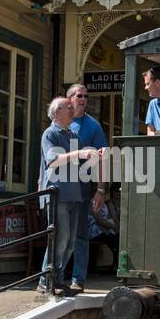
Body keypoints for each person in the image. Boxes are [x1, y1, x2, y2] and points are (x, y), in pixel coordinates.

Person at [39, 97, 103, 294]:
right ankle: (45, 281)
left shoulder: (73, 135)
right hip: (58, 194)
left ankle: (57, 279)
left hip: (75, 194)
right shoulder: (50, 133)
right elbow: (53, 161)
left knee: (70, 242)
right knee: (60, 238)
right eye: (69, 106)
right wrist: (80, 154)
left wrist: (96, 154)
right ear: (57, 111)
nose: (72, 108)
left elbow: (83, 164)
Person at [67, 83, 107, 292]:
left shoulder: (93, 126)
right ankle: (50, 277)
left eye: (86, 96)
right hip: (59, 186)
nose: (83, 99)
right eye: (79, 95)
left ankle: (78, 278)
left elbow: (103, 159)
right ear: (69, 99)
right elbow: (47, 157)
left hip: (82, 186)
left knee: (80, 234)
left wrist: (100, 190)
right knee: (57, 232)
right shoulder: (60, 122)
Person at [88, 182, 121, 271]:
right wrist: (114, 227)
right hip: (95, 231)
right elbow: (100, 220)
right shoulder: (92, 202)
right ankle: (117, 264)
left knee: (118, 238)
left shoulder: (105, 204)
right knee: (116, 239)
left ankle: (116, 264)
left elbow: (110, 217)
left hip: (105, 230)